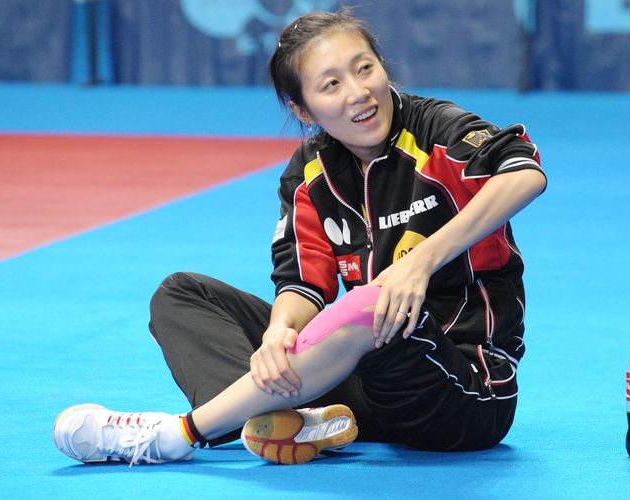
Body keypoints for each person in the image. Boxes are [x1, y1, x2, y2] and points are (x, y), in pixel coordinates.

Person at [53, 9, 546, 466]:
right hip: (362, 381)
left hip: (463, 395)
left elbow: (524, 172)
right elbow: (303, 282)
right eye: (331, 84)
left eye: (365, 69)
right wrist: (279, 333)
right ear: (304, 109)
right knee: (182, 293)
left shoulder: (438, 128)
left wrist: (420, 263)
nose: (358, 92)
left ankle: (179, 435)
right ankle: (282, 424)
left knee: (370, 307)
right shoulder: (310, 171)